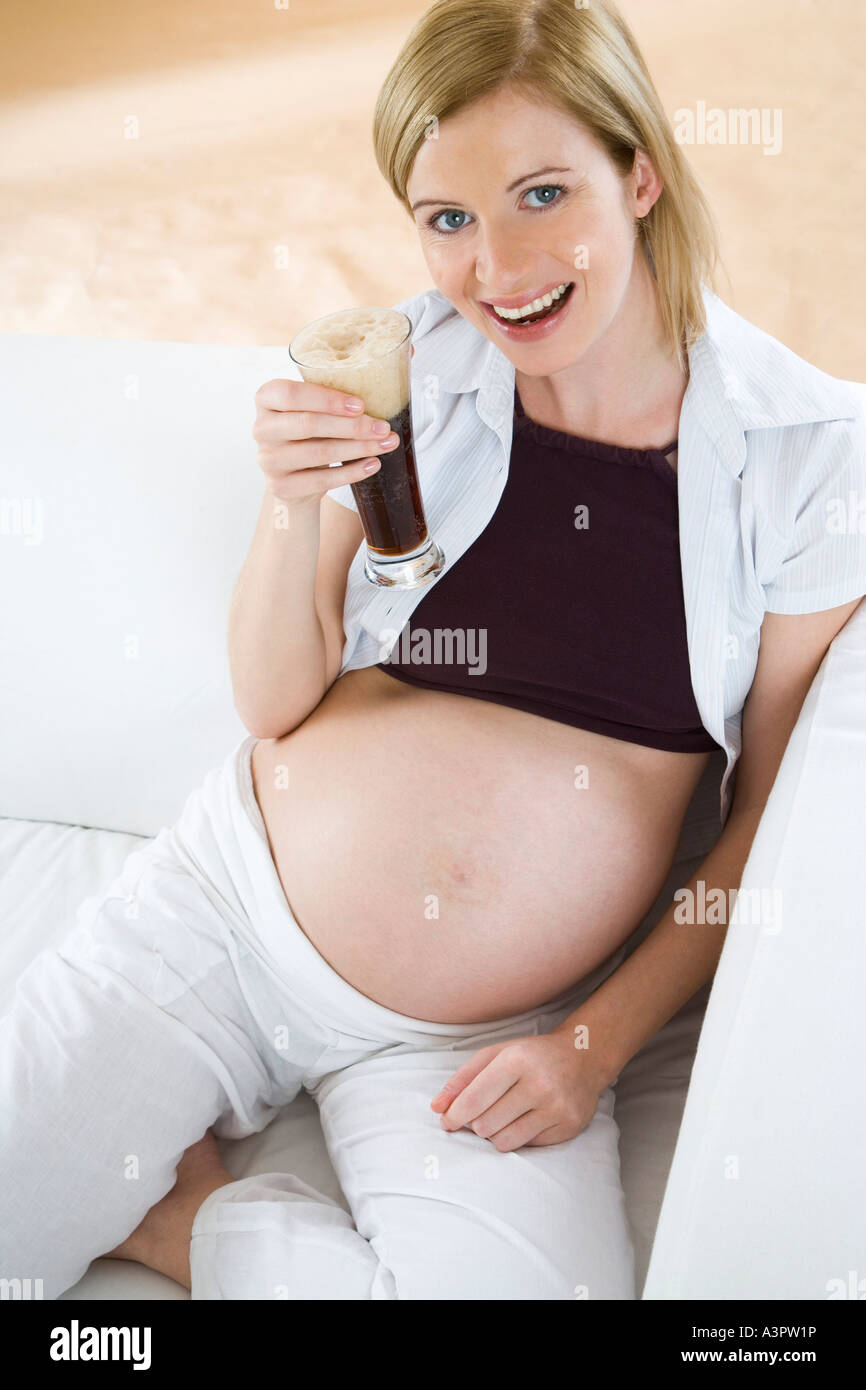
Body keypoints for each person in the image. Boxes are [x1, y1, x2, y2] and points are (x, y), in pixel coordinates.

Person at [2, 0, 865, 1301]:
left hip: (490, 1022)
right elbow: (273, 696)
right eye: (448, 217)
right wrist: (291, 505)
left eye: (538, 194)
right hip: (225, 913)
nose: (496, 267)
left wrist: (588, 1042)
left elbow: (757, 833)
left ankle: (187, 1227)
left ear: (636, 172)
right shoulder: (401, 367)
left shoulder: (801, 453)